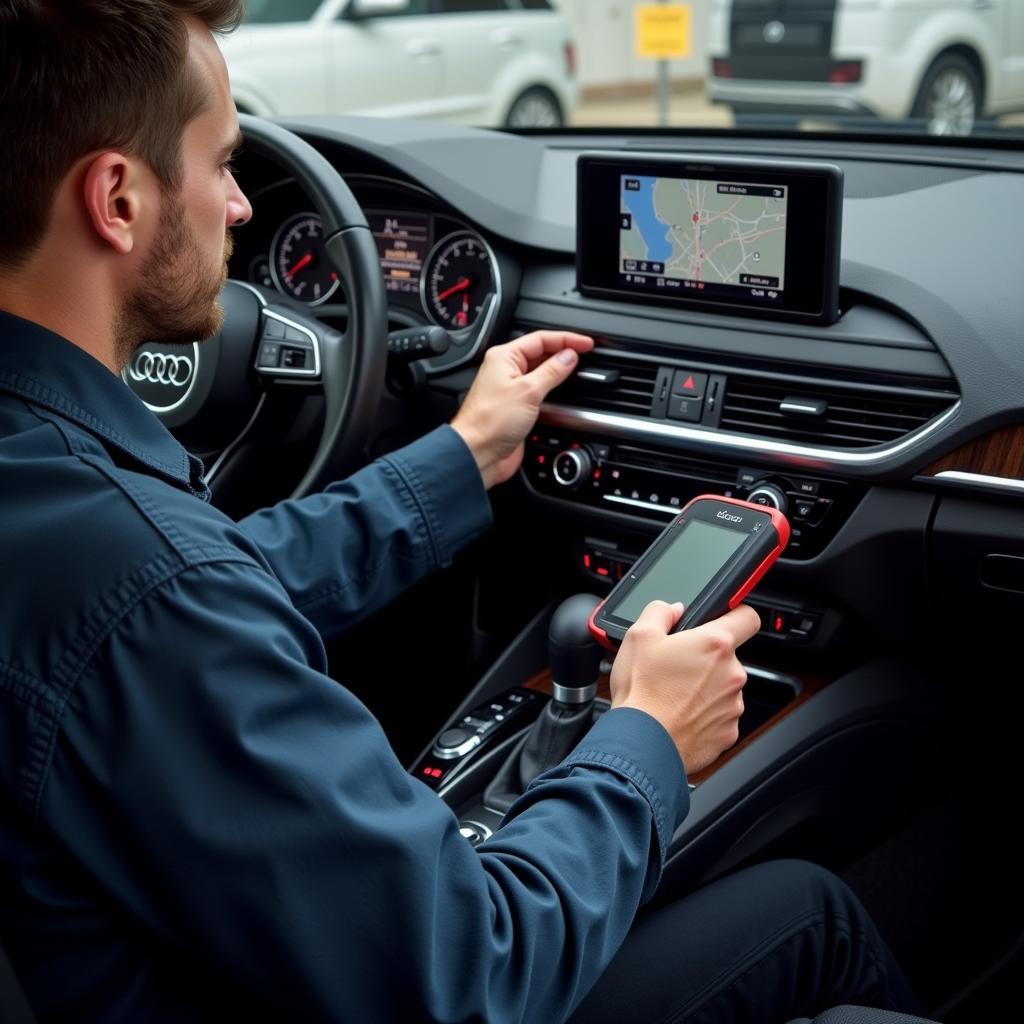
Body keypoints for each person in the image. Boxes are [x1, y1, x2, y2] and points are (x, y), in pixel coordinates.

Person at [0, 2, 923, 1022]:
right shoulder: (150, 590)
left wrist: (458, 460)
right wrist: (644, 734)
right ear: (117, 201)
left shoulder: (67, 517)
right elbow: (477, 972)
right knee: (811, 913)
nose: (242, 207)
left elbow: (186, 593)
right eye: (222, 163)